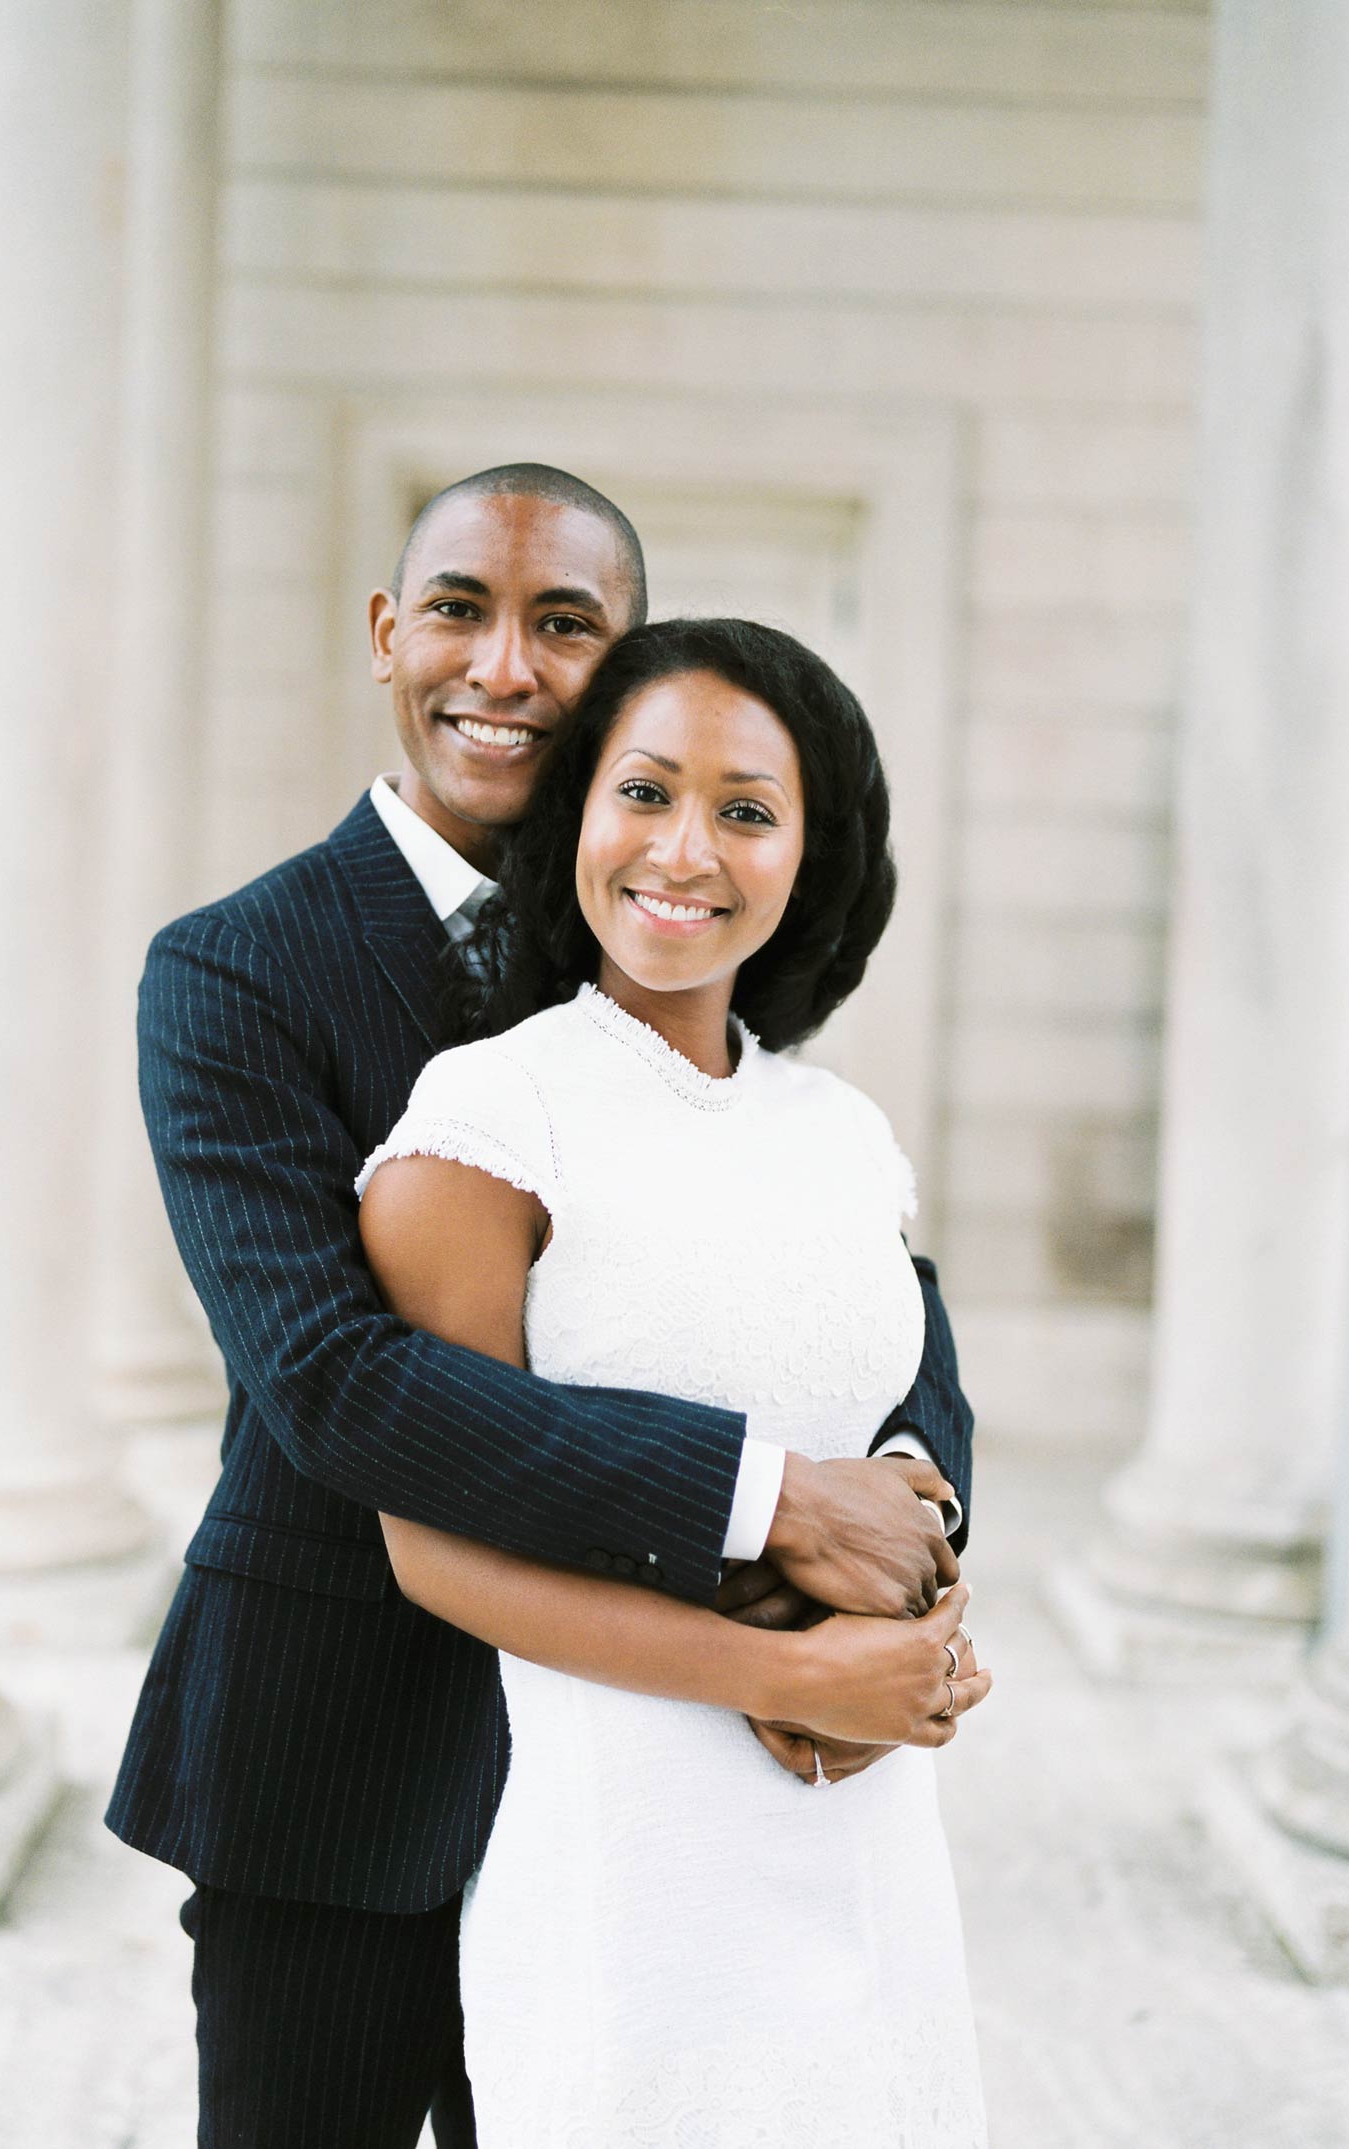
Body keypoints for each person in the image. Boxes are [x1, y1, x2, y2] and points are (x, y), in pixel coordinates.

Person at [106, 466, 975, 2147]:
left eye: (566, 626)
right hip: (344, 1757)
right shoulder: (233, 970)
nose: (504, 667)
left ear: (631, 668)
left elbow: (876, 1305)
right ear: (385, 634)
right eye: (458, 610)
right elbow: (335, 1384)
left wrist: (918, 1534)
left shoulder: (675, 949)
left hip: (649, 1799)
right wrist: (777, 1504)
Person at [356, 615, 990, 2146]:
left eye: (747, 809)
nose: (684, 849)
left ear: (811, 852)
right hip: (627, 1875)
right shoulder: (497, 1109)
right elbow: (433, 1546)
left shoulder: (843, 1130)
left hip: (876, 1845)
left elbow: (893, 1430)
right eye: (643, 791)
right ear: (576, 809)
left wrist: (928, 1602)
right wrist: (789, 1672)